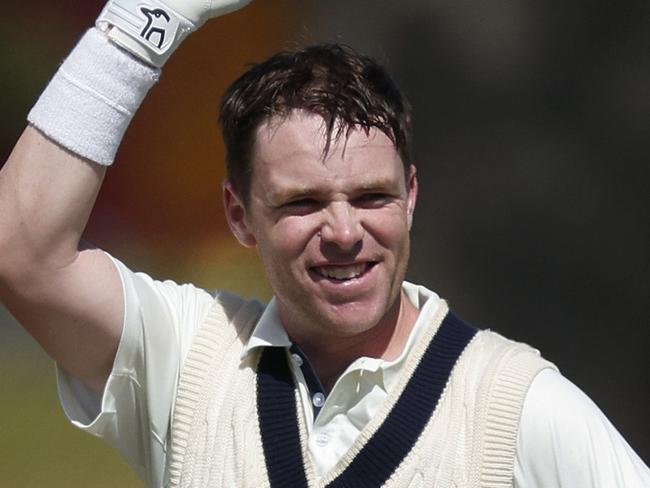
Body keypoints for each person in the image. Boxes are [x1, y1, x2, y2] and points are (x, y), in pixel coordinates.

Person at [0, 1, 648, 487]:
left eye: (372, 198)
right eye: (302, 203)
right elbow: (22, 253)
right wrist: (148, 19)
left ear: (412, 197)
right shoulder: (189, 362)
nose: (343, 233)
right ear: (239, 213)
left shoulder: (517, 406)